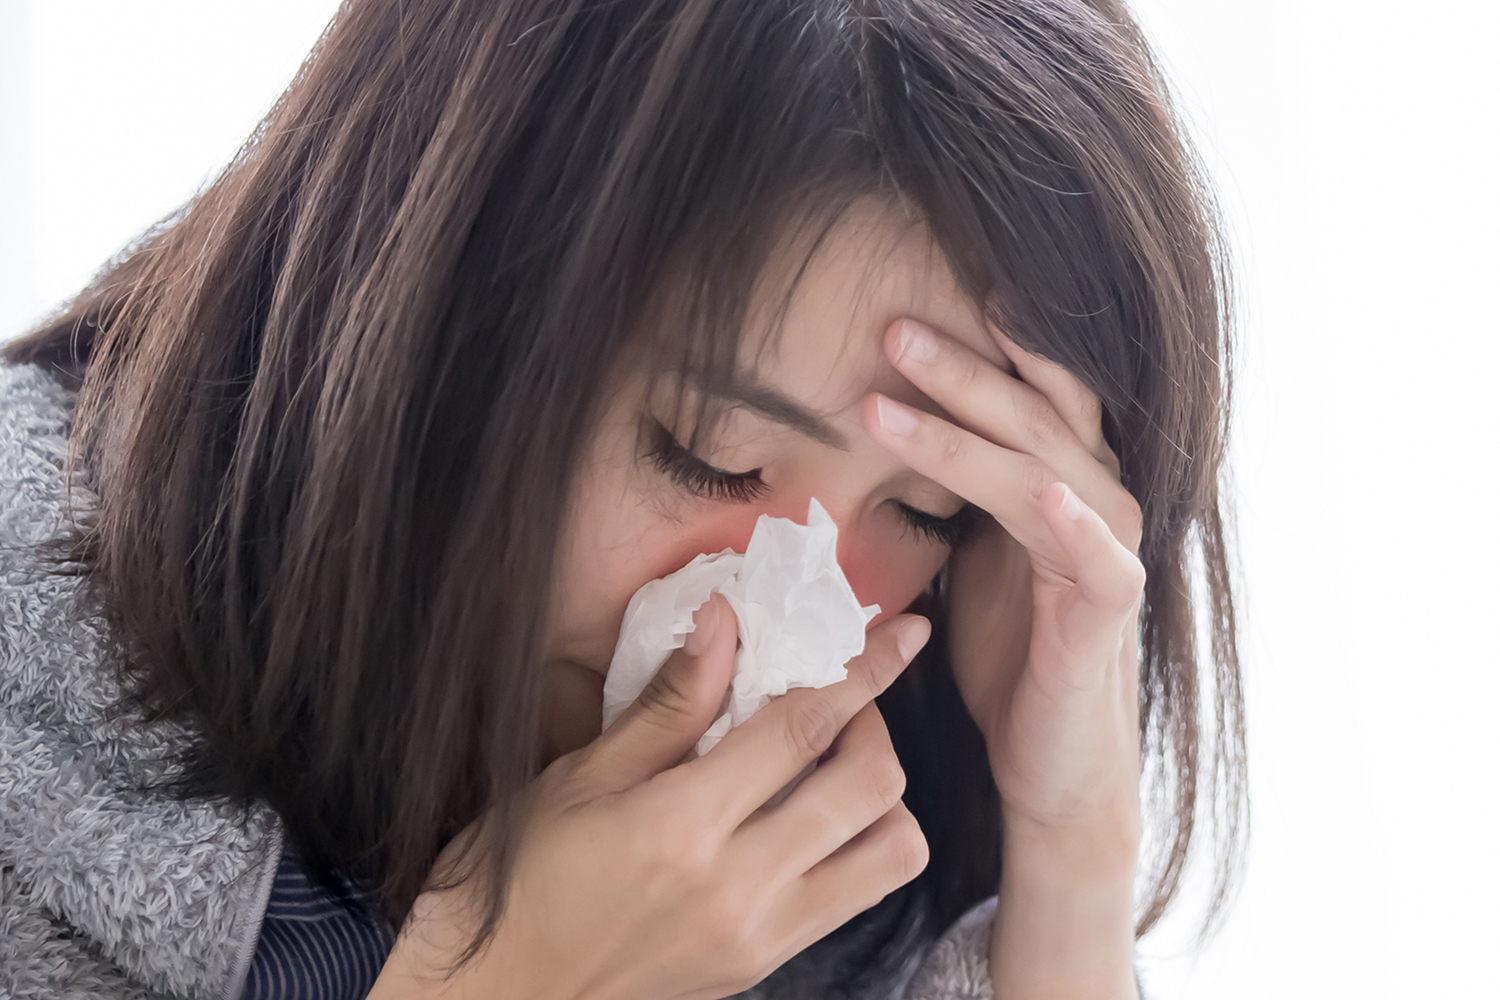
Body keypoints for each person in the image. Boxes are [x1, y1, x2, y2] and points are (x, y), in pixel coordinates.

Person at [0, 0, 1245, 997]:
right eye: (712, 451)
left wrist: (1070, 849)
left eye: (928, 511)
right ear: (434, 315)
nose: (785, 624)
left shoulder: (865, 856)